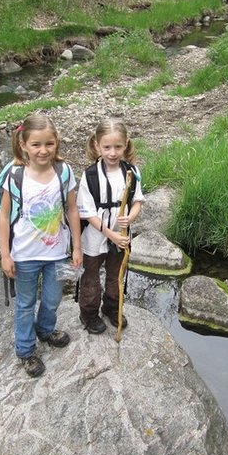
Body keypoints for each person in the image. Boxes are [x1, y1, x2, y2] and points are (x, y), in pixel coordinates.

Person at [0, 113, 83, 377]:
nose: (43, 150)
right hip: (24, 255)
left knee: (53, 298)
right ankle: (25, 350)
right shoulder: (14, 175)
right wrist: (5, 254)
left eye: (49, 144)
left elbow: (71, 210)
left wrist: (77, 248)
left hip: (57, 253)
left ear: (56, 142)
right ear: (23, 144)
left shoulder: (64, 171)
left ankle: (45, 330)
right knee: (24, 303)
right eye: (36, 144)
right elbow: (3, 215)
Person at [76, 117, 144, 334]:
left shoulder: (131, 172)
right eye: (107, 147)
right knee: (91, 276)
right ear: (97, 146)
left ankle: (112, 308)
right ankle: (88, 313)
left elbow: (138, 201)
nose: (112, 153)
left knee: (116, 274)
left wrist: (130, 217)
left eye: (117, 147)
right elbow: (87, 213)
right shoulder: (90, 176)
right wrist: (110, 234)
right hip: (95, 236)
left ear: (126, 145)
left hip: (121, 236)